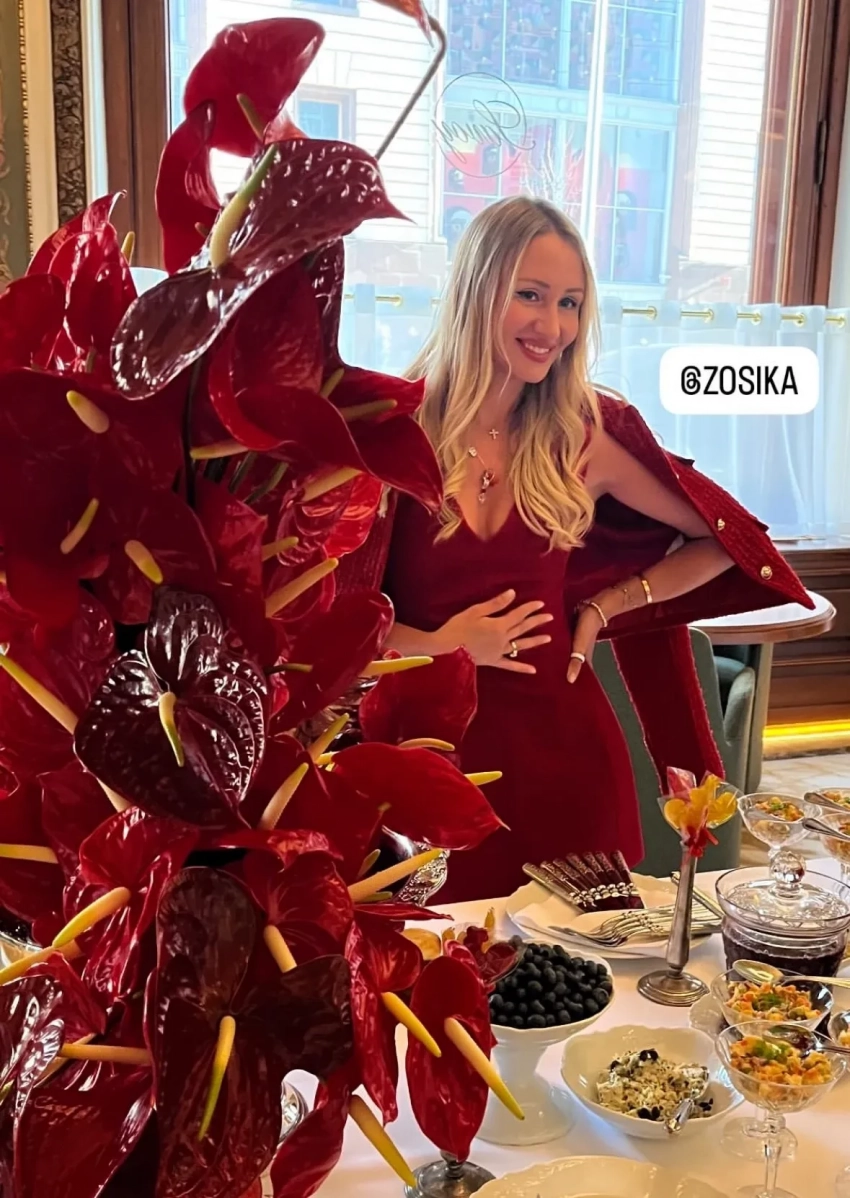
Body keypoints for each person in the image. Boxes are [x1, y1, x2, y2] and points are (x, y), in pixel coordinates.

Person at [339, 196, 811, 904]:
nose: (552, 327)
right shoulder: (388, 431)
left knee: (581, 961)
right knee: (437, 957)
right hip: (426, 759)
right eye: (530, 295)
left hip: (565, 753)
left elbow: (725, 542)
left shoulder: (583, 434)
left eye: (570, 304)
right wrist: (445, 644)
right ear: (477, 289)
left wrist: (610, 603)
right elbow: (332, 629)